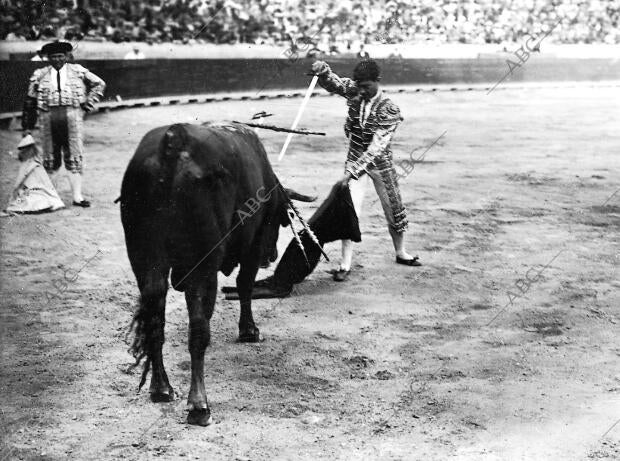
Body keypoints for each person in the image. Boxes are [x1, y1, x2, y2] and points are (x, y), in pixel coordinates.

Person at [311, 59, 421, 282]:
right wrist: (323, 72)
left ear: (377, 81)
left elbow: (376, 149)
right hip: (354, 161)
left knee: (394, 207)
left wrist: (351, 171)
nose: (362, 90)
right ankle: (345, 264)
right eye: (359, 85)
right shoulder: (356, 89)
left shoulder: (389, 109)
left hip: (380, 163)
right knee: (348, 210)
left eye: (366, 86)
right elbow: (335, 84)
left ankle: (401, 252)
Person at [22, 41, 106, 208]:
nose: (57, 59)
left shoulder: (78, 71)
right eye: (53, 57)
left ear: (67, 56)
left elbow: (100, 84)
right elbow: (30, 101)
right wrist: (27, 127)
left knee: (74, 155)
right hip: (47, 118)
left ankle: (77, 196)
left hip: (72, 116)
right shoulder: (39, 74)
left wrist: (87, 104)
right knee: (50, 158)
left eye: (60, 56)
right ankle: (50, 197)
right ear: (48, 58)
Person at [1, 135, 65, 216]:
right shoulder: (35, 162)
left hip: (33, 192)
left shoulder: (30, 164)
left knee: (20, 201)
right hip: (43, 194)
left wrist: (14, 195)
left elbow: (19, 183)